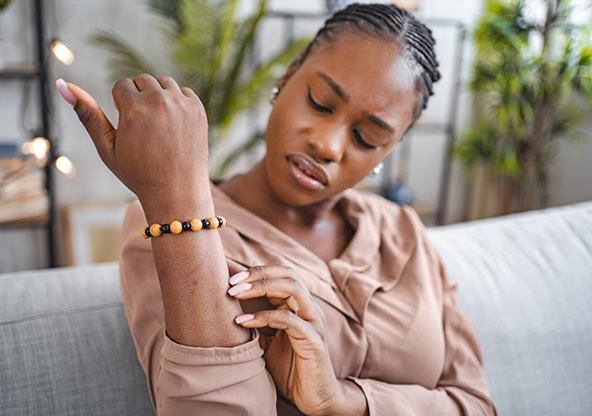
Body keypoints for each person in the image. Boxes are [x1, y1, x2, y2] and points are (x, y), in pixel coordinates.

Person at [56, 3, 497, 415]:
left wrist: (342, 400)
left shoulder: (403, 230)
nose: (327, 144)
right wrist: (177, 195)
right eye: (320, 103)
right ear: (286, 79)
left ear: (391, 148)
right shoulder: (174, 221)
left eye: (367, 137)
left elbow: (475, 403)